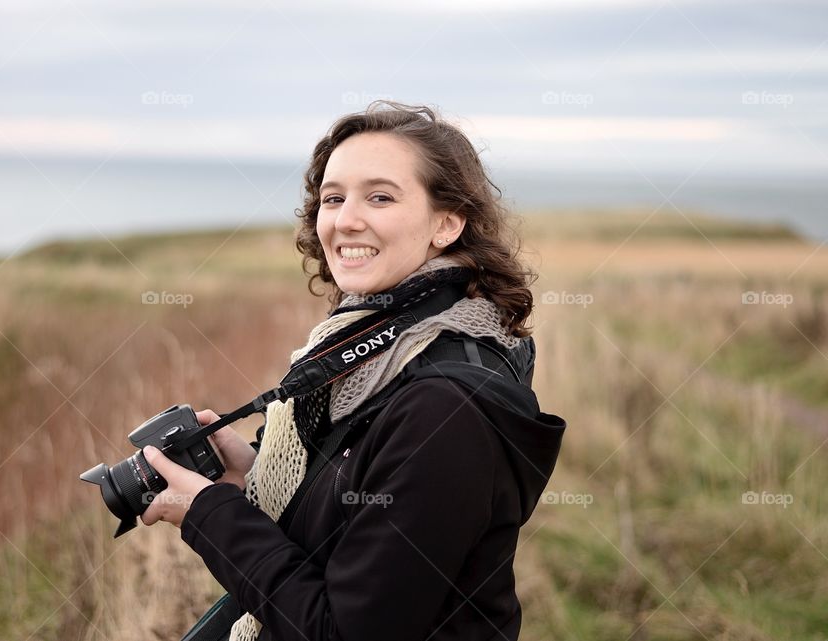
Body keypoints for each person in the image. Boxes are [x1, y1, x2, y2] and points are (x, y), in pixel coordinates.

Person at [141, 101, 567, 641]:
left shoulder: (445, 407)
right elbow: (357, 520)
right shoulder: (376, 350)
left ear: (447, 223)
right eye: (333, 198)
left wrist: (210, 514)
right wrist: (253, 476)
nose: (345, 220)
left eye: (380, 197)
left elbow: (343, 631)